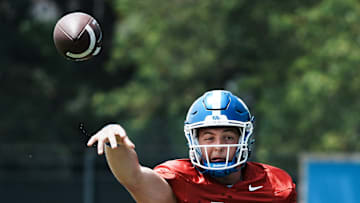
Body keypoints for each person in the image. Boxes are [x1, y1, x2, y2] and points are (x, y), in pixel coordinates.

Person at [87, 90, 297, 203]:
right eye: (208, 138)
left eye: (227, 137)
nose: (218, 146)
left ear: (244, 138)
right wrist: (115, 145)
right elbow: (134, 179)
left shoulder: (276, 186)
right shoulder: (181, 179)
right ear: (194, 141)